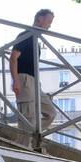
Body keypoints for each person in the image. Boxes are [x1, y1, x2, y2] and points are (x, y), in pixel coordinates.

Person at [11, 9, 58, 141]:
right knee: (28, 116)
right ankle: (23, 145)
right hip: (24, 79)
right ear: (39, 19)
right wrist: (15, 80)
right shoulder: (26, 35)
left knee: (51, 113)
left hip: (34, 82)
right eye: (48, 21)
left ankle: (30, 136)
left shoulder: (35, 40)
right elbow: (13, 57)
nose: (49, 25)